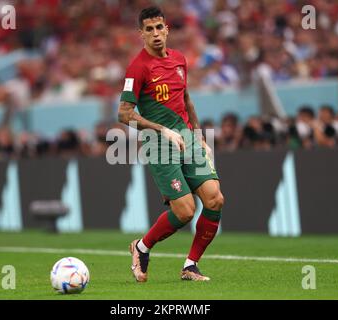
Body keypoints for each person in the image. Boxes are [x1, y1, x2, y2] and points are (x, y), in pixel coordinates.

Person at [117, 6, 224, 282]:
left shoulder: (179, 60)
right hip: (159, 142)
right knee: (185, 211)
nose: (155, 34)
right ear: (141, 34)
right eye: (149, 29)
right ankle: (141, 247)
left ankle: (190, 266)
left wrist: (198, 135)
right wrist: (163, 130)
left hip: (187, 137)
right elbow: (124, 113)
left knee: (214, 198)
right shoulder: (137, 68)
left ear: (167, 30)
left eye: (159, 28)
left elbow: (187, 100)